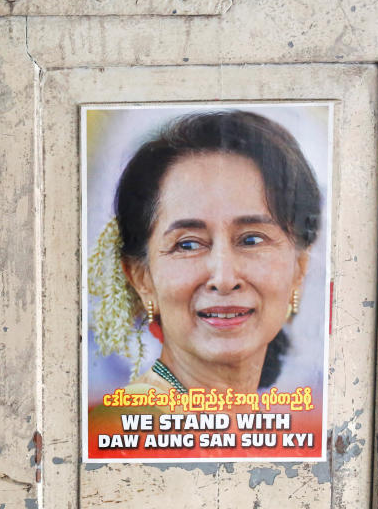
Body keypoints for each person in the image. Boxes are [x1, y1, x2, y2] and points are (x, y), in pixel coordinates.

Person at [87, 110, 322, 404]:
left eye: (251, 240)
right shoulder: (111, 433)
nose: (224, 279)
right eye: (188, 245)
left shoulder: (315, 421)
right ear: (141, 277)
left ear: (299, 269)